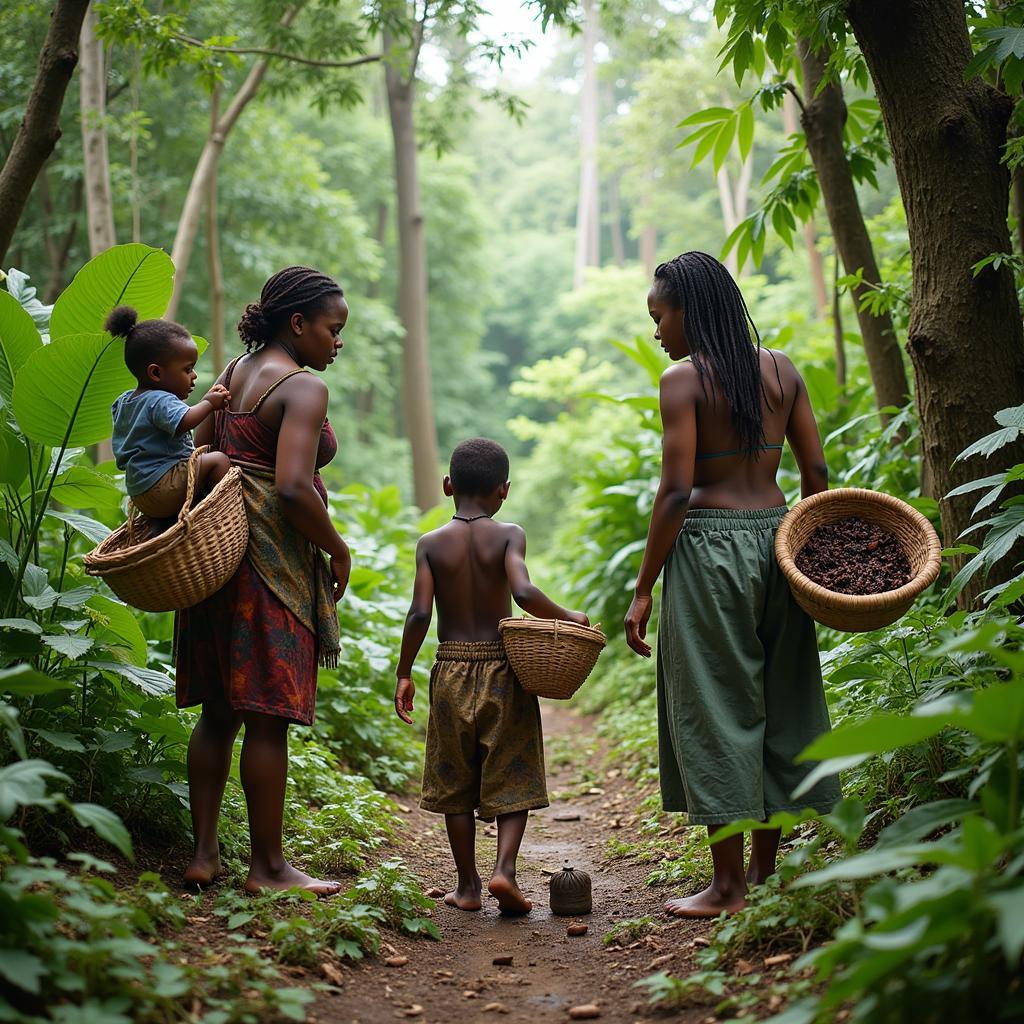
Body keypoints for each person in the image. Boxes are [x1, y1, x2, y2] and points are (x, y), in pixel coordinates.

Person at [623, 251, 842, 919]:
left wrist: (641, 590)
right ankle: (765, 873)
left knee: (716, 708)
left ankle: (726, 887)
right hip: (780, 543)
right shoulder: (782, 370)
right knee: (780, 700)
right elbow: (817, 468)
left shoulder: (683, 380)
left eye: (660, 315)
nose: (658, 330)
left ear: (690, 310)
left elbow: (675, 492)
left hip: (708, 548)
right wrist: (811, 551)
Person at [175, 266, 352, 895]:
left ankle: (203, 856)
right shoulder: (300, 389)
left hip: (214, 558)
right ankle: (268, 867)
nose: (338, 342)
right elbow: (292, 487)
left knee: (218, 714)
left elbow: (194, 457)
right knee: (266, 717)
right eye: (333, 329)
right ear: (298, 323)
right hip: (268, 568)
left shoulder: (228, 375)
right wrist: (337, 548)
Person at [394, 438, 589, 915]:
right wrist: (569, 616)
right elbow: (522, 591)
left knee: (454, 780)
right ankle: (505, 869)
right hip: (505, 666)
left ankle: (467, 885)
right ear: (503, 490)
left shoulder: (430, 544)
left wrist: (404, 672)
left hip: (450, 667)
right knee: (512, 770)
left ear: (447, 486)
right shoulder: (509, 534)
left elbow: (420, 613)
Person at [107, 306, 232, 519]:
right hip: (165, 486)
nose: (193, 376)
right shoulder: (159, 399)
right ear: (155, 372)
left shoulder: (125, 401)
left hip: (140, 494)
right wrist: (209, 403)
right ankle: (218, 513)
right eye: (187, 369)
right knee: (218, 460)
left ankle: (159, 528)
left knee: (200, 459)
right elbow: (185, 421)